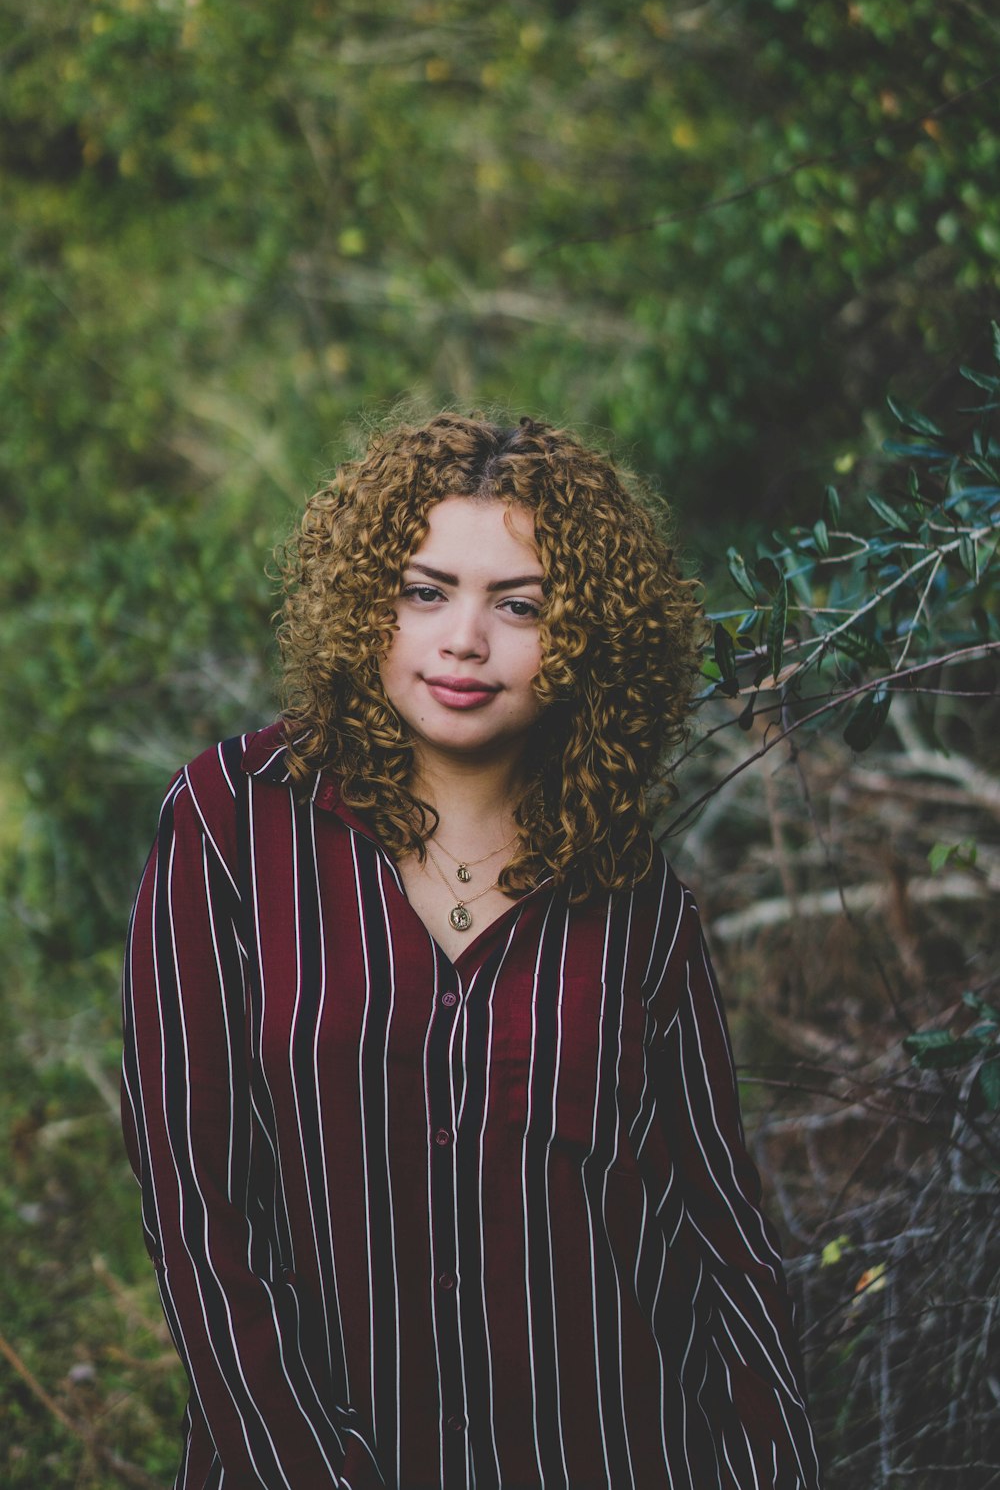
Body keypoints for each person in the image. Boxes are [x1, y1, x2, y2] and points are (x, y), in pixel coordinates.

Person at [121, 412, 821, 1490]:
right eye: (425, 590)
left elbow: (715, 1239)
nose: (462, 641)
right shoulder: (231, 826)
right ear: (369, 606)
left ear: (582, 635)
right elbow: (197, 1211)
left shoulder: (633, 903)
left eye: (520, 605)